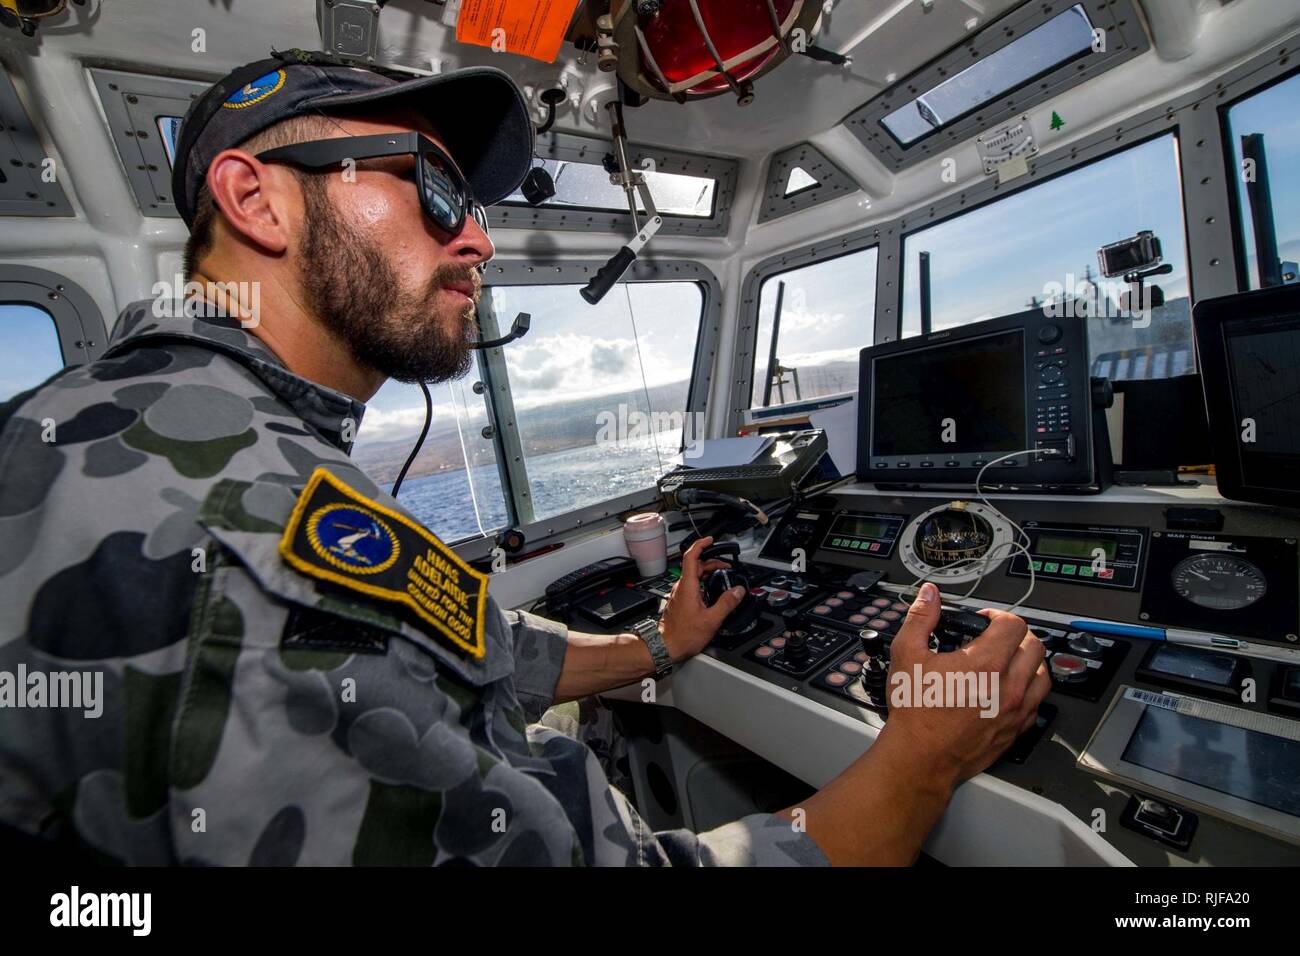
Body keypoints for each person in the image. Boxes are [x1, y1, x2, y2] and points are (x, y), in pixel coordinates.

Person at [0, 54, 1050, 866]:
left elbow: (461, 638)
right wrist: (924, 749)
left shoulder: (90, 420)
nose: (480, 245)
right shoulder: (261, 536)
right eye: (437, 192)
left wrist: (654, 646)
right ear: (255, 198)